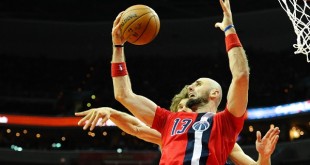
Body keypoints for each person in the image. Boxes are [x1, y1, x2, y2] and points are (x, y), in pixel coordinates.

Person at [110, 0, 249, 164]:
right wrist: (117, 45)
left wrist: (229, 29)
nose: (190, 86)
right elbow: (123, 95)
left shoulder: (224, 123)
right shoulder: (169, 120)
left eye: (198, 84)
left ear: (214, 93)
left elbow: (241, 75)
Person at [75, 99, 280, 165]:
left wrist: (264, 156)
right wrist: (111, 112)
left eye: (185, 107)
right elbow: (136, 127)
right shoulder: (170, 137)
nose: (180, 111)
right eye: (178, 108)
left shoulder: (220, 139)